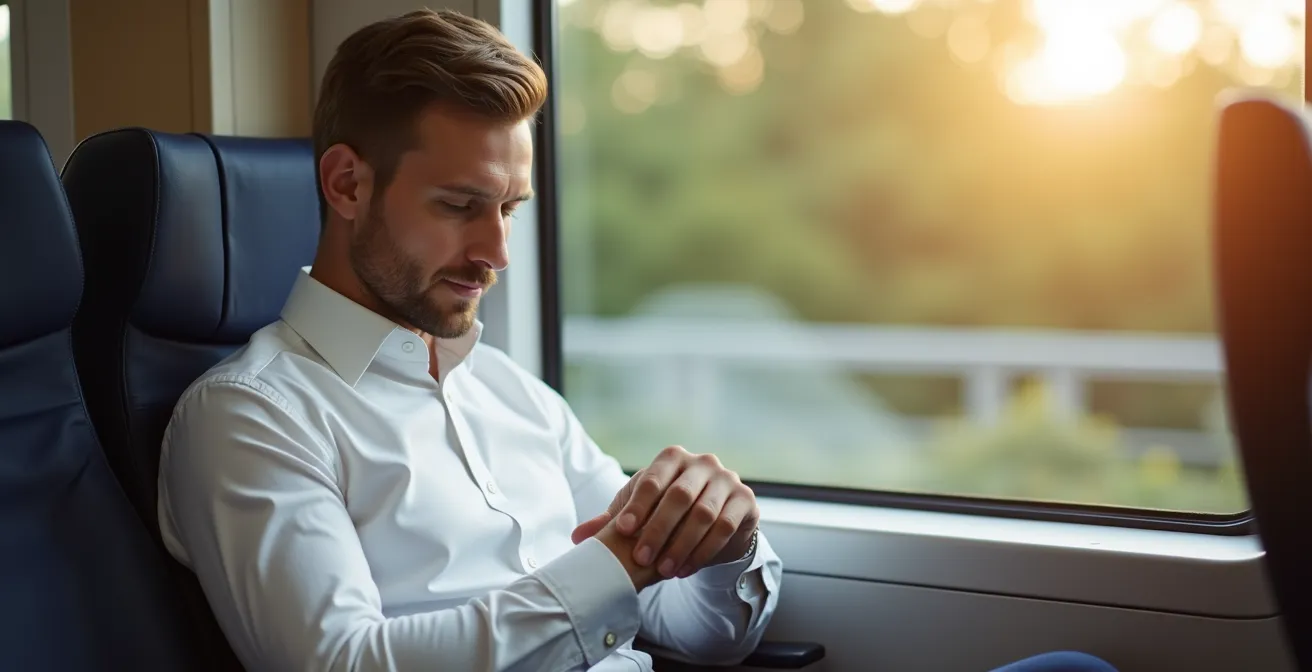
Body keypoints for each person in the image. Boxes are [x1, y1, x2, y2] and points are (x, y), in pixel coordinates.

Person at [157, 8, 1116, 672]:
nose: (495, 251)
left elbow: (700, 636)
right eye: (459, 207)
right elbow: (342, 666)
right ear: (347, 184)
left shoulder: (511, 396)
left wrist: (726, 545)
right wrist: (616, 566)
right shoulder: (252, 417)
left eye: (510, 209)